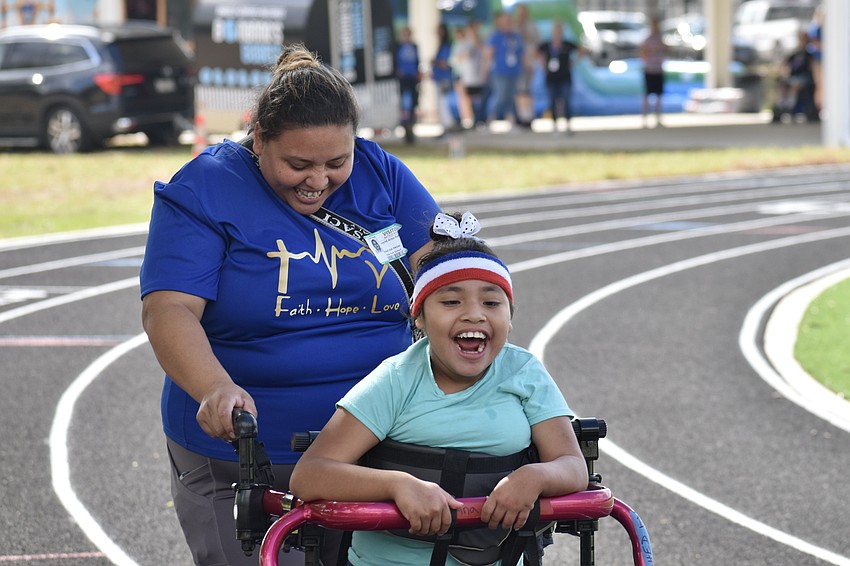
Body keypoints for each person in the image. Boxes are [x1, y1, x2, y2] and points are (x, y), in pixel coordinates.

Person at [139, 43, 441, 566]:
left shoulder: (382, 174)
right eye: (298, 164)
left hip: (374, 452)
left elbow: (445, 272)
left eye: (336, 162)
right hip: (246, 457)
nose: (319, 180)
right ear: (258, 138)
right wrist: (214, 388)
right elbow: (169, 309)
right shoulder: (207, 186)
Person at [290, 211, 589, 566]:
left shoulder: (524, 372)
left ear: (510, 318)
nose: (474, 315)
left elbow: (572, 465)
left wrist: (535, 475)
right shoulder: (396, 379)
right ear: (419, 317)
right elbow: (310, 475)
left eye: (492, 302)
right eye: (451, 301)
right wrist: (398, 485)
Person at [538, 20, 581, 135]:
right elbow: (536, 53)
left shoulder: (567, 44)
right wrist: (543, 65)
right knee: (552, 102)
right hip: (552, 78)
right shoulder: (547, 45)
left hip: (565, 77)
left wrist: (573, 62)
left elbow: (582, 50)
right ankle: (555, 125)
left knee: (566, 101)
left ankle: (568, 124)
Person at [483, 11, 525, 127]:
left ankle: (512, 121)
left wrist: (524, 67)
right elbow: (488, 54)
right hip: (499, 71)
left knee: (510, 97)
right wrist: (486, 70)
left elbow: (521, 53)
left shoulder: (516, 36)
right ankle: (490, 119)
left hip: (514, 71)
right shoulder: (495, 36)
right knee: (501, 96)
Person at [771, 28, 816, 123]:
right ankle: (780, 105)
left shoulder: (810, 54)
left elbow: (813, 69)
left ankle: (790, 106)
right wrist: (783, 73)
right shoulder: (795, 54)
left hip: (805, 78)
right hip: (793, 77)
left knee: (795, 85)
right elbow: (785, 65)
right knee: (783, 85)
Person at [450, 21, 486, 130]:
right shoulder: (462, 44)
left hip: (476, 75)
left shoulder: (480, 42)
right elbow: (455, 59)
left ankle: (476, 119)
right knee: (465, 98)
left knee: (476, 98)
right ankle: (468, 119)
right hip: (465, 75)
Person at [513, 3, 541, 129]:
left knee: (526, 90)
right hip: (515, 64)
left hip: (528, 63)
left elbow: (537, 44)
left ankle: (528, 117)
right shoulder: (513, 26)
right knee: (518, 92)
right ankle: (520, 117)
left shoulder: (531, 26)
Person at [639, 16, 667, 128]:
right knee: (647, 94)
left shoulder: (660, 39)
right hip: (650, 69)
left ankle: (658, 117)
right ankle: (645, 118)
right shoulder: (647, 40)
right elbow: (642, 53)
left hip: (658, 69)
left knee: (658, 95)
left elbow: (665, 50)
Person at [396, 26, 422, 144]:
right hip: (403, 80)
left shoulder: (414, 47)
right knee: (404, 105)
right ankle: (406, 128)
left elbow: (417, 61)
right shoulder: (398, 47)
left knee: (412, 104)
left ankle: (411, 128)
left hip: (412, 79)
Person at [432, 23, 457, 134]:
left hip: (444, 78)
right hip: (440, 78)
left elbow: (445, 63)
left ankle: (448, 125)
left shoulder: (446, 46)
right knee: (442, 102)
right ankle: (446, 125)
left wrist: (435, 62)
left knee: (443, 102)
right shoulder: (442, 45)